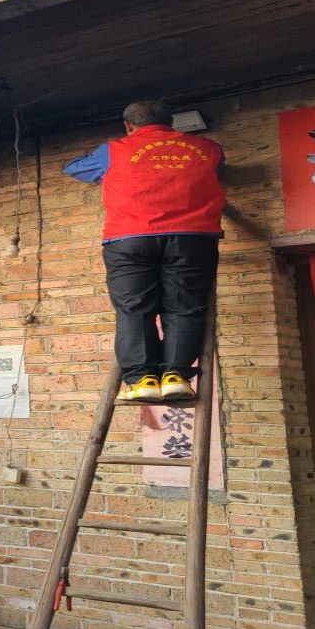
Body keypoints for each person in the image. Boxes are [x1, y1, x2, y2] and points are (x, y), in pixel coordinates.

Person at [64, 99, 225, 403]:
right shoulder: (208, 148)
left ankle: (142, 380)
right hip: (193, 237)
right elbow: (218, 168)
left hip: (130, 238)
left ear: (128, 125)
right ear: (171, 122)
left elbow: (74, 168)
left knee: (134, 309)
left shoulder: (114, 150)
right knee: (185, 307)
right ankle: (176, 376)